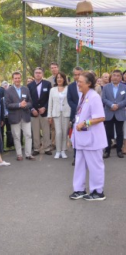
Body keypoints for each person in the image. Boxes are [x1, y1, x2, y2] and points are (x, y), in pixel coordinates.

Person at [70, 72, 107, 201]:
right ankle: (79, 189)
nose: (78, 83)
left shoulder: (94, 97)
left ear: (89, 83)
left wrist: (84, 123)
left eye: (80, 81)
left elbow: (101, 117)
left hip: (93, 139)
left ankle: (98, 191)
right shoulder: (83, 95)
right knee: (79, 165)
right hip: (81, 139)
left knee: (95, 165)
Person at [5, 71, 34, 161]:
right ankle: (19, 155)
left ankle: (28, 154)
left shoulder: (26, 89)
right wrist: (18, 105)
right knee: (17, 136)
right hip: (14, 117)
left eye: (18, 78)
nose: (17, 80)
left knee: (28, 135)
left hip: (25, 116)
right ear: (12, 79)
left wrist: (26, 105)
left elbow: (30, 102)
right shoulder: (8, 91)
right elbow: (7, 105)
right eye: (15, 78)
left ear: (21, 78)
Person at [28, 67, 52, 156]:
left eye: (39, 73)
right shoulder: (29, 86)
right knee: (35, 131)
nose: (38, 74)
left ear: (42, 74)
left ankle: (47, 148)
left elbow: (50, 98)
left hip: (44, 112)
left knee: (46, 131)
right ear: (34, 74)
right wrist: (32, 109)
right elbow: (28, 99)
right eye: (36, 72)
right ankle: (36, 148)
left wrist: (45, 108)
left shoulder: (48, 84)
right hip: (34, 113)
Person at [102, 70, 126, 159]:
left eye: (117, 76)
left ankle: (119, 150)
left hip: (120, 113)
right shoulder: (106, 87)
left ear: (120, 78)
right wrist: (111, 105)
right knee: (108, 133)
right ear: (111, 77)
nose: (115, 77)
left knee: (120, 133)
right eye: (114, 75)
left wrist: (118, 105)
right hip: (109, 112)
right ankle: (107, 151)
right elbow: (103, 99)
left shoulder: (124, 87)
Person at [48, 72, 71, 159]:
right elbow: (50, 103)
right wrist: (49, 115)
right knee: (58, 132)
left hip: (66, 113)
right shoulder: (52, 90)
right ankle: (58, 151)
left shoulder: (68, 89)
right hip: (56, 114)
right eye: (58, 78)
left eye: (61, 77)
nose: (59, 79)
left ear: (64, 79)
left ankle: (63, 150)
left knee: (65, 132)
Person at [67, 66, 84, 166]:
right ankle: (76, 157)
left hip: (86, 116)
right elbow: (69, 100)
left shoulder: (87, 85)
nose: (77, 77)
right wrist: (77, 108)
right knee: (76, 137)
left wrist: (83, 108)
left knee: (85, 137)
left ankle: (85, 158)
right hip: (75, 115)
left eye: (79, 74)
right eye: (75, 75)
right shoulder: (71, 86)